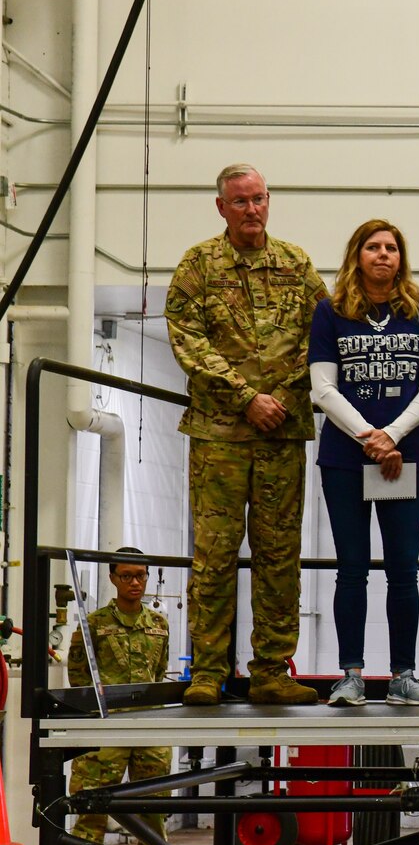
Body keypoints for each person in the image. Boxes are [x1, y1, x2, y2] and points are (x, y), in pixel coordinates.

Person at [165, 163, 329, 706]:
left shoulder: (296, 264)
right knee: (213, 554)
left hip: (282, 432)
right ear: (221, 207)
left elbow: (321, 336)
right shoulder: (198, 266)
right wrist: (244, 397)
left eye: (259, 199)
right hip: (219, 436)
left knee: (279, 554)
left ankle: (270, 670)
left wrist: (280, 398)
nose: (252, 209)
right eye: (240, 202)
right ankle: (208, 670)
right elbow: (187, 339)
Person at [308, 220, 419, 707]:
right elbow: (322, 387)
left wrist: (391, 436)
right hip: (346, 459)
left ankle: (403, 676)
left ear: (400, 258)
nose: (383, 254)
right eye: (373, 247)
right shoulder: (330, 312)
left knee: (403, 570)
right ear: (357, 255)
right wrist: (369, 436)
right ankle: (351, 676)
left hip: (401, 458)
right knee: (351, 568)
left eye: (391, 248)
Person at [63, 550, 185, 845]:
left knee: (151, 815)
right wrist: (94, 721)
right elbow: (79, 677)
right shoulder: (94, 624)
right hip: (105, 731)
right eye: (128, 575)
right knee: (91, 812)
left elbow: (159, 672)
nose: (136, 582)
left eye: (142, 576)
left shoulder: (160, 624)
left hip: (148, 729)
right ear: (113, 578)